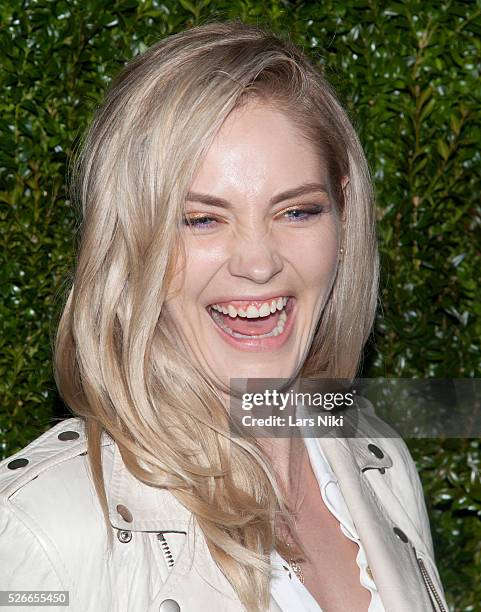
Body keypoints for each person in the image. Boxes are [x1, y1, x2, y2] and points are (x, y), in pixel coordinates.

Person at [0, 20, 448, 612]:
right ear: (129, 242)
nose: (259, 264)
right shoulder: (46, 528)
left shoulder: (378, 457)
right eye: (202, 219)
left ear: (344, 215)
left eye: (297, 212)